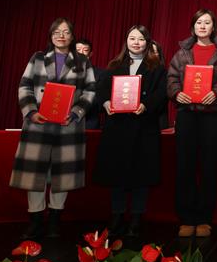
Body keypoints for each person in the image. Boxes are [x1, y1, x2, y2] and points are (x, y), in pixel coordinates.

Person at [10, 18, 96, 239]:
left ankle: (55, 220)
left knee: (62, 175)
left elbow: (90, 91)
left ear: (72, 36)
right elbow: (24, 86)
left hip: (68, 125)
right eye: (57, 32)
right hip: (38, 123)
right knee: (34, 174)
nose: (61, 36)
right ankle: (36, 220)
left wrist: (75, 113)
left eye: (66, 32)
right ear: (51, 35)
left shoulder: (82, 61)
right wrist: (31, 111)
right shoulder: (38, 58)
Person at [167, 8, 217, 238]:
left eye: (207, 22)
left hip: (212, 115)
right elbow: (171, 78)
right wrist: (176, 93)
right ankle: (187, 218)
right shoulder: (182, 53)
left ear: (213, 26)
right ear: (193, 26)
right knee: (185, 166)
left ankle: (205, 218)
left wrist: (216, 91)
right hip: (187, 115)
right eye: (199, 22)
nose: (203, 26)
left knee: (209, 167)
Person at [93, 25, 167, 238]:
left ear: (147, 42)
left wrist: (146, 105)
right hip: (117, 128)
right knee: (116, 175)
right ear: (126, 41)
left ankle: (136, 218)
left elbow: (162, 94)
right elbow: (101, 90)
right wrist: (106, 102)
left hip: (143, 128)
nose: (136, 42)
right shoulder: (114, 65)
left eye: (141, 39)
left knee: (141, 176)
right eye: (132, 38)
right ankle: (116, 216)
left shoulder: (157, 68)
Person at [76, 39, 105, 129]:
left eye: (85, 50)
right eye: (78, 50)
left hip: (89, 122)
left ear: (90, 54)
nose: (81, 53)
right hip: (64, 122)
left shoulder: (100, 74)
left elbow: (101, 100)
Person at [150, 40, 170, 130]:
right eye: (149, 52)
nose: (152, 55)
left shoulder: (163, 72)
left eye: (155, 52)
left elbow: (163, 96)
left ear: (159, 54)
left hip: (158, 118)